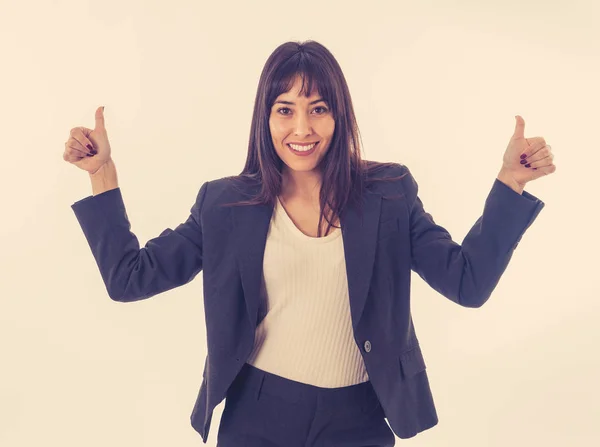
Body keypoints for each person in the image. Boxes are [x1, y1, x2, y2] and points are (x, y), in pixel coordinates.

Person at [65, 40, 555, 446]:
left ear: (339, 115)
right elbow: (129, 279)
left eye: (318, 109)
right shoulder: (223, 204)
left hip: (359, 418)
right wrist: (101, 174)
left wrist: (510, 184)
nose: (302, 129)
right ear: (265, 118)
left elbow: (466, 282)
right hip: (257, 414)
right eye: (286, 110)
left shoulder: (388, 193)